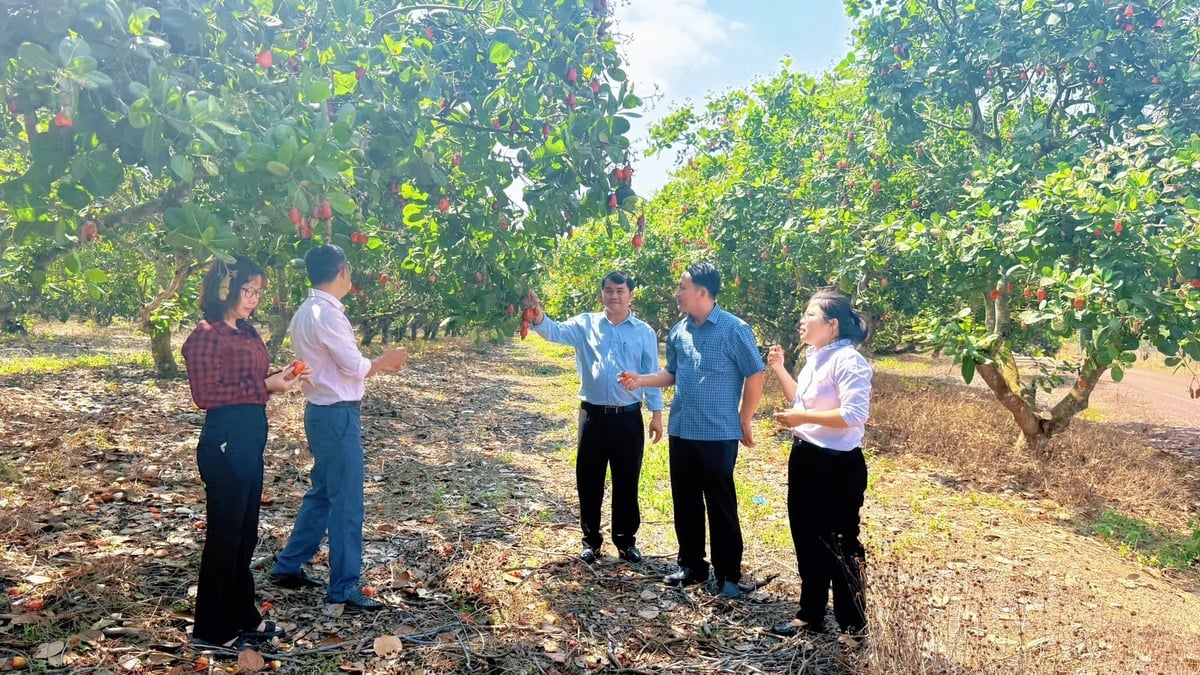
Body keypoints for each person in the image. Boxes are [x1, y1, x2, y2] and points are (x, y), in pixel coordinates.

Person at [270, 245, 409, 611]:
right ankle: (343, 586)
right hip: (337, 415)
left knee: (324, 493)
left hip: (320, 412)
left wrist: (376, 365)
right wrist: (383, 361)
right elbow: (353, 366)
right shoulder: (328, 314)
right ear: (343, 271)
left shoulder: (305, 311)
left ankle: (289, 565)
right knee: (346, 501)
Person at [620, 262, 765, 599]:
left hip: (718, 433)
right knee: (685, 501)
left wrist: (745, 418)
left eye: (682, 287)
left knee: (720, 504)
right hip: (683, 430)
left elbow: (755, 373)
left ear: (702, 291)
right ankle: (691, 565)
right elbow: (672, 373)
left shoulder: (734, 329)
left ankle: (728, 574)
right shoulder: (679, 331)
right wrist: (641, 380)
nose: (678, 293)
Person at [182, 255, 305, 648]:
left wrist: (277, 377)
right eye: (247, 291)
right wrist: (266, 388)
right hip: (224, 439)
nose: (252, 299)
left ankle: (241, 615)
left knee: (245, 533)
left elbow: (254, 379)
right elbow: (206, 395)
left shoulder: (248, 331)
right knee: (224, 534)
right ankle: (212, 629)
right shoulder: (205, 335)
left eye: (258, 292)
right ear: (226, 289)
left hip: (251, 436)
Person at [525, 272, 665, 564]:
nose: (614, 296)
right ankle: (591, 540)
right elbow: (554, 331)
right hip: (593, 416)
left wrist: (656, 415)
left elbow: (651, 374)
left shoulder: (643, 332)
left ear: (631, 295)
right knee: (589, 479)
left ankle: (626, 541)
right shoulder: (585, 324)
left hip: (627, 417)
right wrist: (537, 316)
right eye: (608, 290)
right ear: (601, 293)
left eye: (620, 291)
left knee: (627, 480)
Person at [766, 289, 872, 645]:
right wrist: (780, 369)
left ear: (832, 324)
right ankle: (810, 614)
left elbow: (854, 415)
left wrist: (801, 416)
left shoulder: (849, 361)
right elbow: (800, 401)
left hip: (838, 466)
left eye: (810, 315)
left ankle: (854, 627)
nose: (802, 321)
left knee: (841, 545)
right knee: (807, 539)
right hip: (807, 458)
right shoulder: (816, 357)